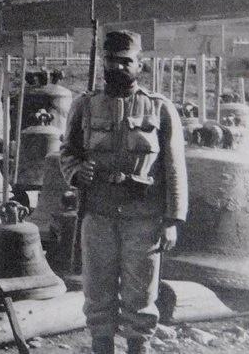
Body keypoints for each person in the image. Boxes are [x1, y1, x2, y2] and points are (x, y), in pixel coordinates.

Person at [60, 30, 187, 354]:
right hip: (98, 217)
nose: (116, 67)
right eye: (110, 60)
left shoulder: (159, 109)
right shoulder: (84, 106)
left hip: (143, 220)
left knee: (141, 299)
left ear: (139, 65)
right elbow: (67, 151)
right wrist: (76, 171)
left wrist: (172, 219)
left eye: (125, 61)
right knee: (97, 297)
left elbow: (174, 166)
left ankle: (138, 348)